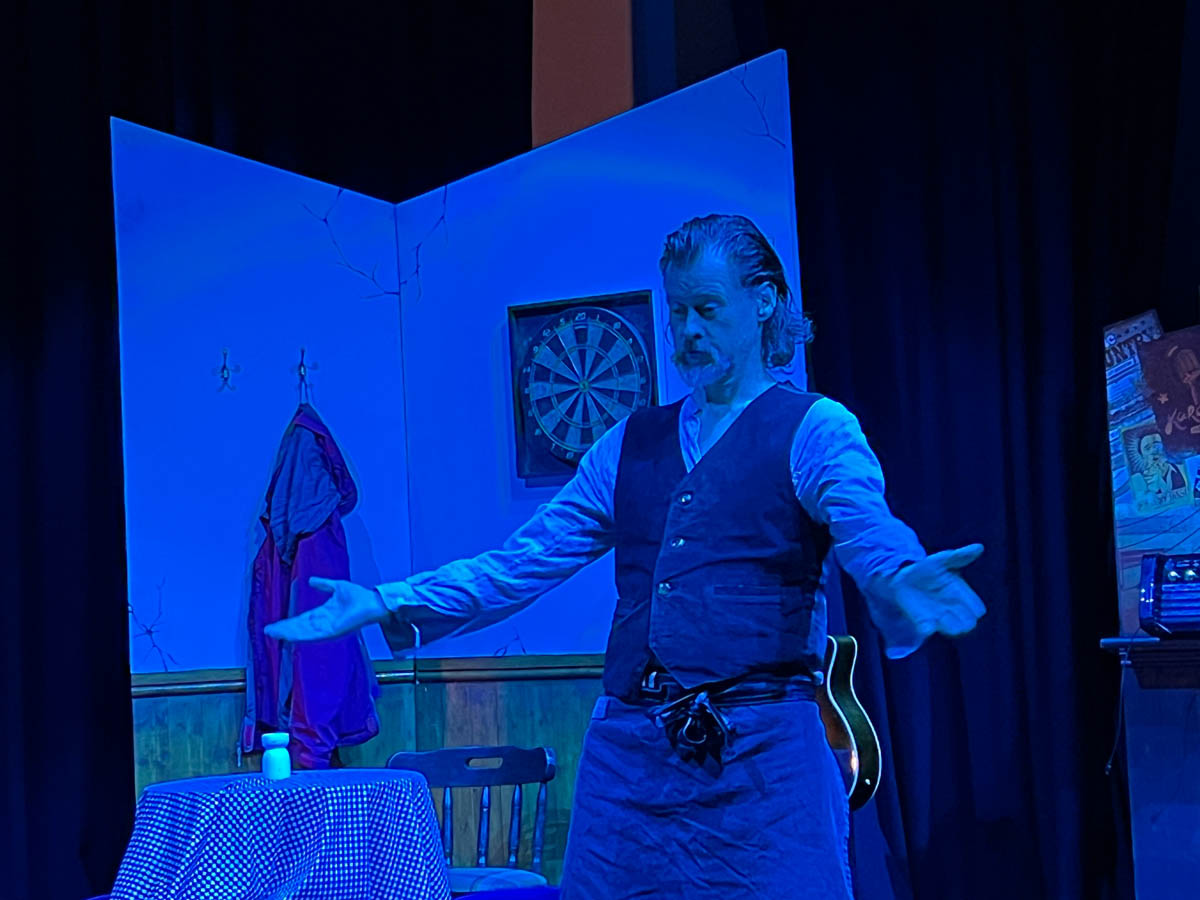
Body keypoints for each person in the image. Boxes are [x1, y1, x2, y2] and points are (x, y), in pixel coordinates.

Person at [265, 214, 986, 899]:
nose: (688, 331)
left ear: (764, 301)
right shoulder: (631, 444)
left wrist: (897, 574)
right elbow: (521, 562)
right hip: (632, 762)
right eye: (678, 312)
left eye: (707, 309)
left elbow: (864, 522)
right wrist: (386, 599)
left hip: (765, 763)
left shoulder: (815, 429)